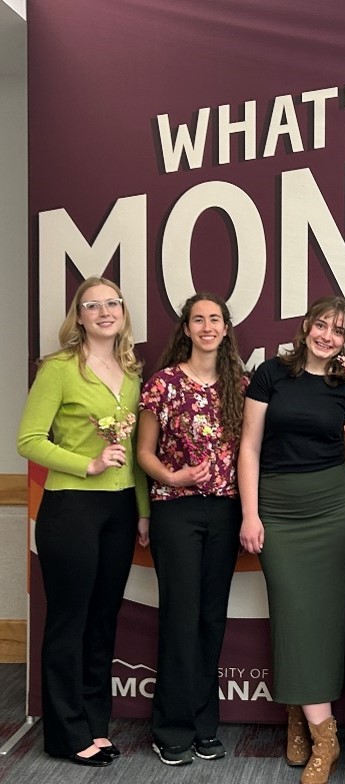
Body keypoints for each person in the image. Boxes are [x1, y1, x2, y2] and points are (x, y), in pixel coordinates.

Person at [17, 276, 149, 767]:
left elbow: (136, 451)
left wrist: (143, 511)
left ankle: (95, 724)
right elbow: (29, 440)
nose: (104, 311)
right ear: (79, 316)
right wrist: (87, 464)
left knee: (102, 621)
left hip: (119, 511)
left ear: (123, 311)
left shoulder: (132, 373)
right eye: (92, 305)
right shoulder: (58, 370)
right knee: (69, 622)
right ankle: (65, 733)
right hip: (71, 507)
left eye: (112, 302)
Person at [238, 295, 345, 784]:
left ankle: (306, 723)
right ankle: (325, 735)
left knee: (324, 623)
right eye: (322, 325)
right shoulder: (271, 374)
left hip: (336, 511)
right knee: (294, 616)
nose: (327, 336)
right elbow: (249, 448)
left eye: (338, 330)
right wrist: (250, 514)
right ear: (307, 326)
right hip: (278, 511)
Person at [136, 293, 247, 766]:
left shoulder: (239, 385)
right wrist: (173, 476)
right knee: (180, 619)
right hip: (175, 510)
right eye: (198, 319)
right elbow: (144, 452)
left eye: (214, 319)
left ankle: (204, 726)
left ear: (225, 328)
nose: (207, 326)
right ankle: (171, 728)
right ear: (185, 328)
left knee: (210, 619)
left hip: (224, 512)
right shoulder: (162, 384)